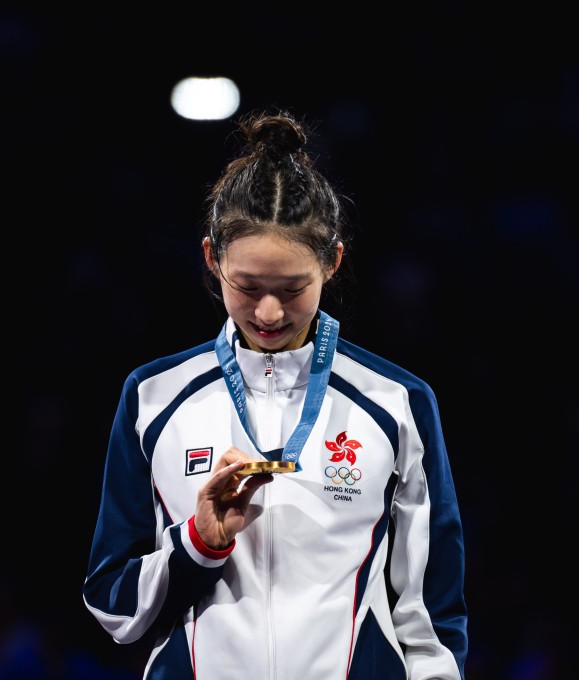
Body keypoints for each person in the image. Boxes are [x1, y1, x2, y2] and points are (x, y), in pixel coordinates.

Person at [82, 109, 468, 679]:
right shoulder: (152, 398)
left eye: (292, 289)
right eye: (247, 286)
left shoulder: (396, 403)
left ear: (332, 262)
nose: (268, 311)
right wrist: (198, 546)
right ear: (213, 259)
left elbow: (430, 613)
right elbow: (113, 605)